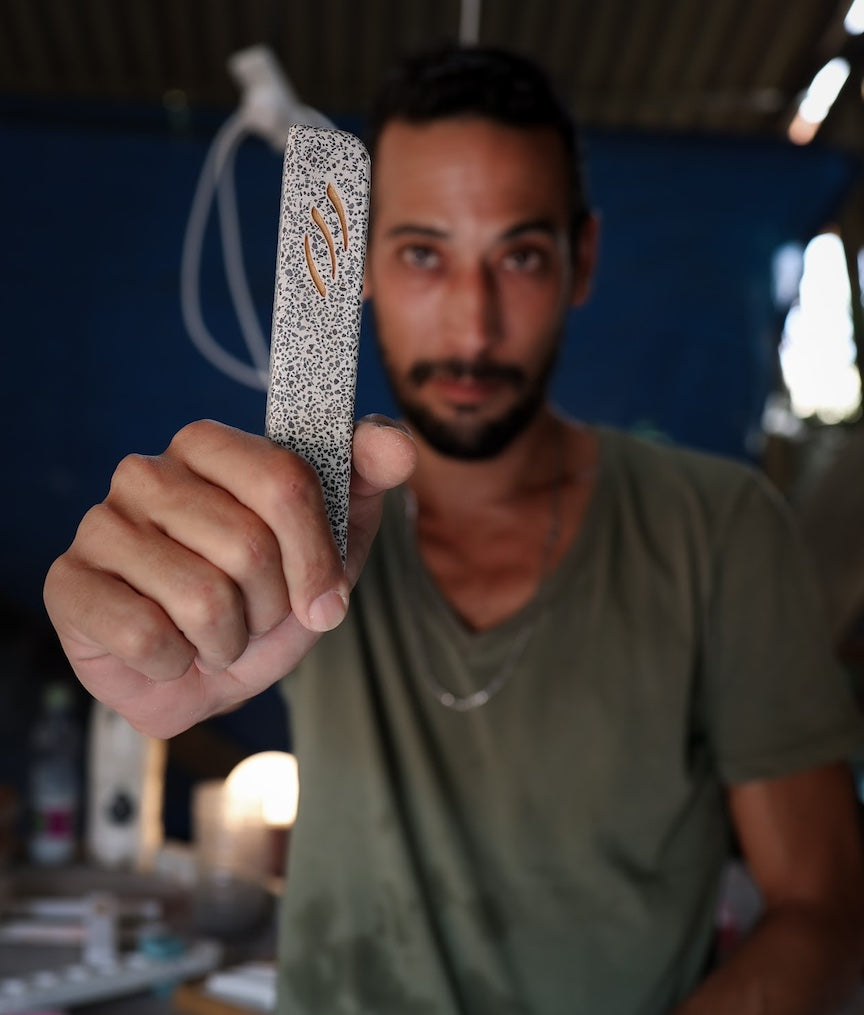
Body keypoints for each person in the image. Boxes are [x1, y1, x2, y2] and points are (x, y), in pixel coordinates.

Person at [44, 44, 864, 1015]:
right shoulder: (295, 517)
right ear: (356, 266)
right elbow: (184, 647)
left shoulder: (717, 528)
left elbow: (824, 906)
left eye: (518, 254)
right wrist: (142, 650)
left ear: (581, 261)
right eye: (423, 252)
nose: (472, 325)